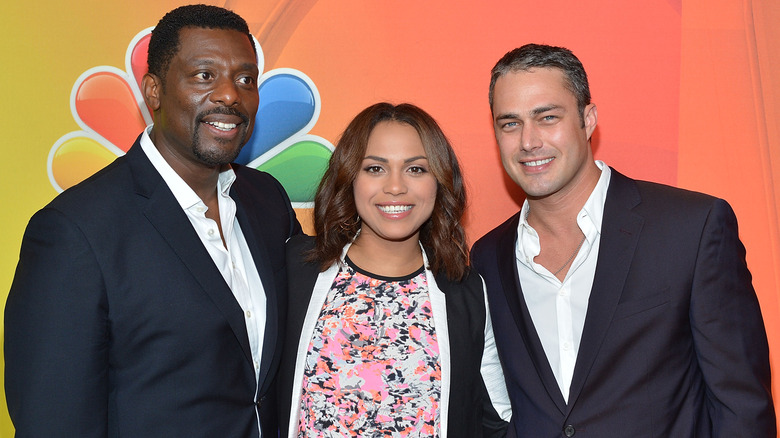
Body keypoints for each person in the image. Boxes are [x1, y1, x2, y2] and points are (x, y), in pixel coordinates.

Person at [5, 5, 301, 437]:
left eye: (245, 79)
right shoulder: (75, 232)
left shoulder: (267, 201)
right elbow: (53, 423)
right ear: (154, 91)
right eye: (204, 75)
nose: (230, 95)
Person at [470, 43, 775, 437]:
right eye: (510, 124)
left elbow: (742, 406)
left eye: (547, 117)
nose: (529, 141)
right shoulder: (487, 258)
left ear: (588, 119)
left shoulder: (690, 228)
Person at [277, 102, 511, 437]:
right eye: (375, 168)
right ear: (350, 177)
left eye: (416, 169)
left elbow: (497, 421)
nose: (396, 187)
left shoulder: (465, 291)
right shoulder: (296, 268)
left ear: (439, 181)